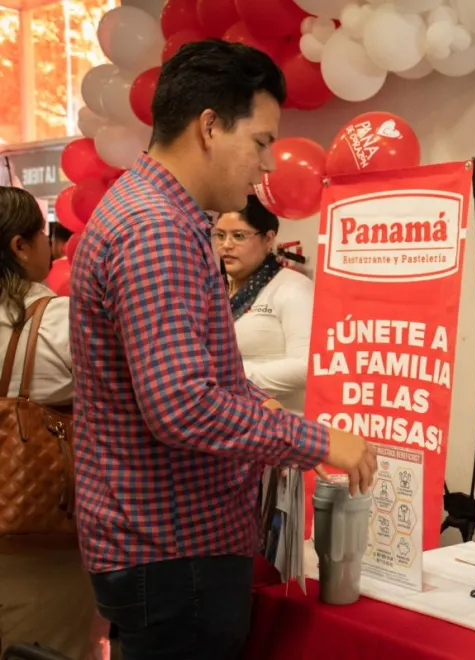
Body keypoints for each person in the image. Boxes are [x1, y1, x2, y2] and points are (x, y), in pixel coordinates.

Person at [68, 40, 376, 660]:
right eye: (260, 142)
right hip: (174, 551)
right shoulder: (157, 226)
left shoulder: (151, 212)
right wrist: (317, 440)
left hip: (161, 545)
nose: (265, 166)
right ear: (209, 126)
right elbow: (182, 405)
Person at [0, 187, 107, 659]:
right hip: (33, 531)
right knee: (48, 647)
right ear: (20, 247)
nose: (54, 246)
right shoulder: (57, 320)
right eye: (46, 236)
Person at [217, 195, 313, 414]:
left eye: (239, 236)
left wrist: (233, 376)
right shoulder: (216, 289)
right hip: (232, 419)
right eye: (220, 235)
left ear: (269, 239)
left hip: (283, 423)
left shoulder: (293, 287)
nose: (226, 245)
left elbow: (306, 367)